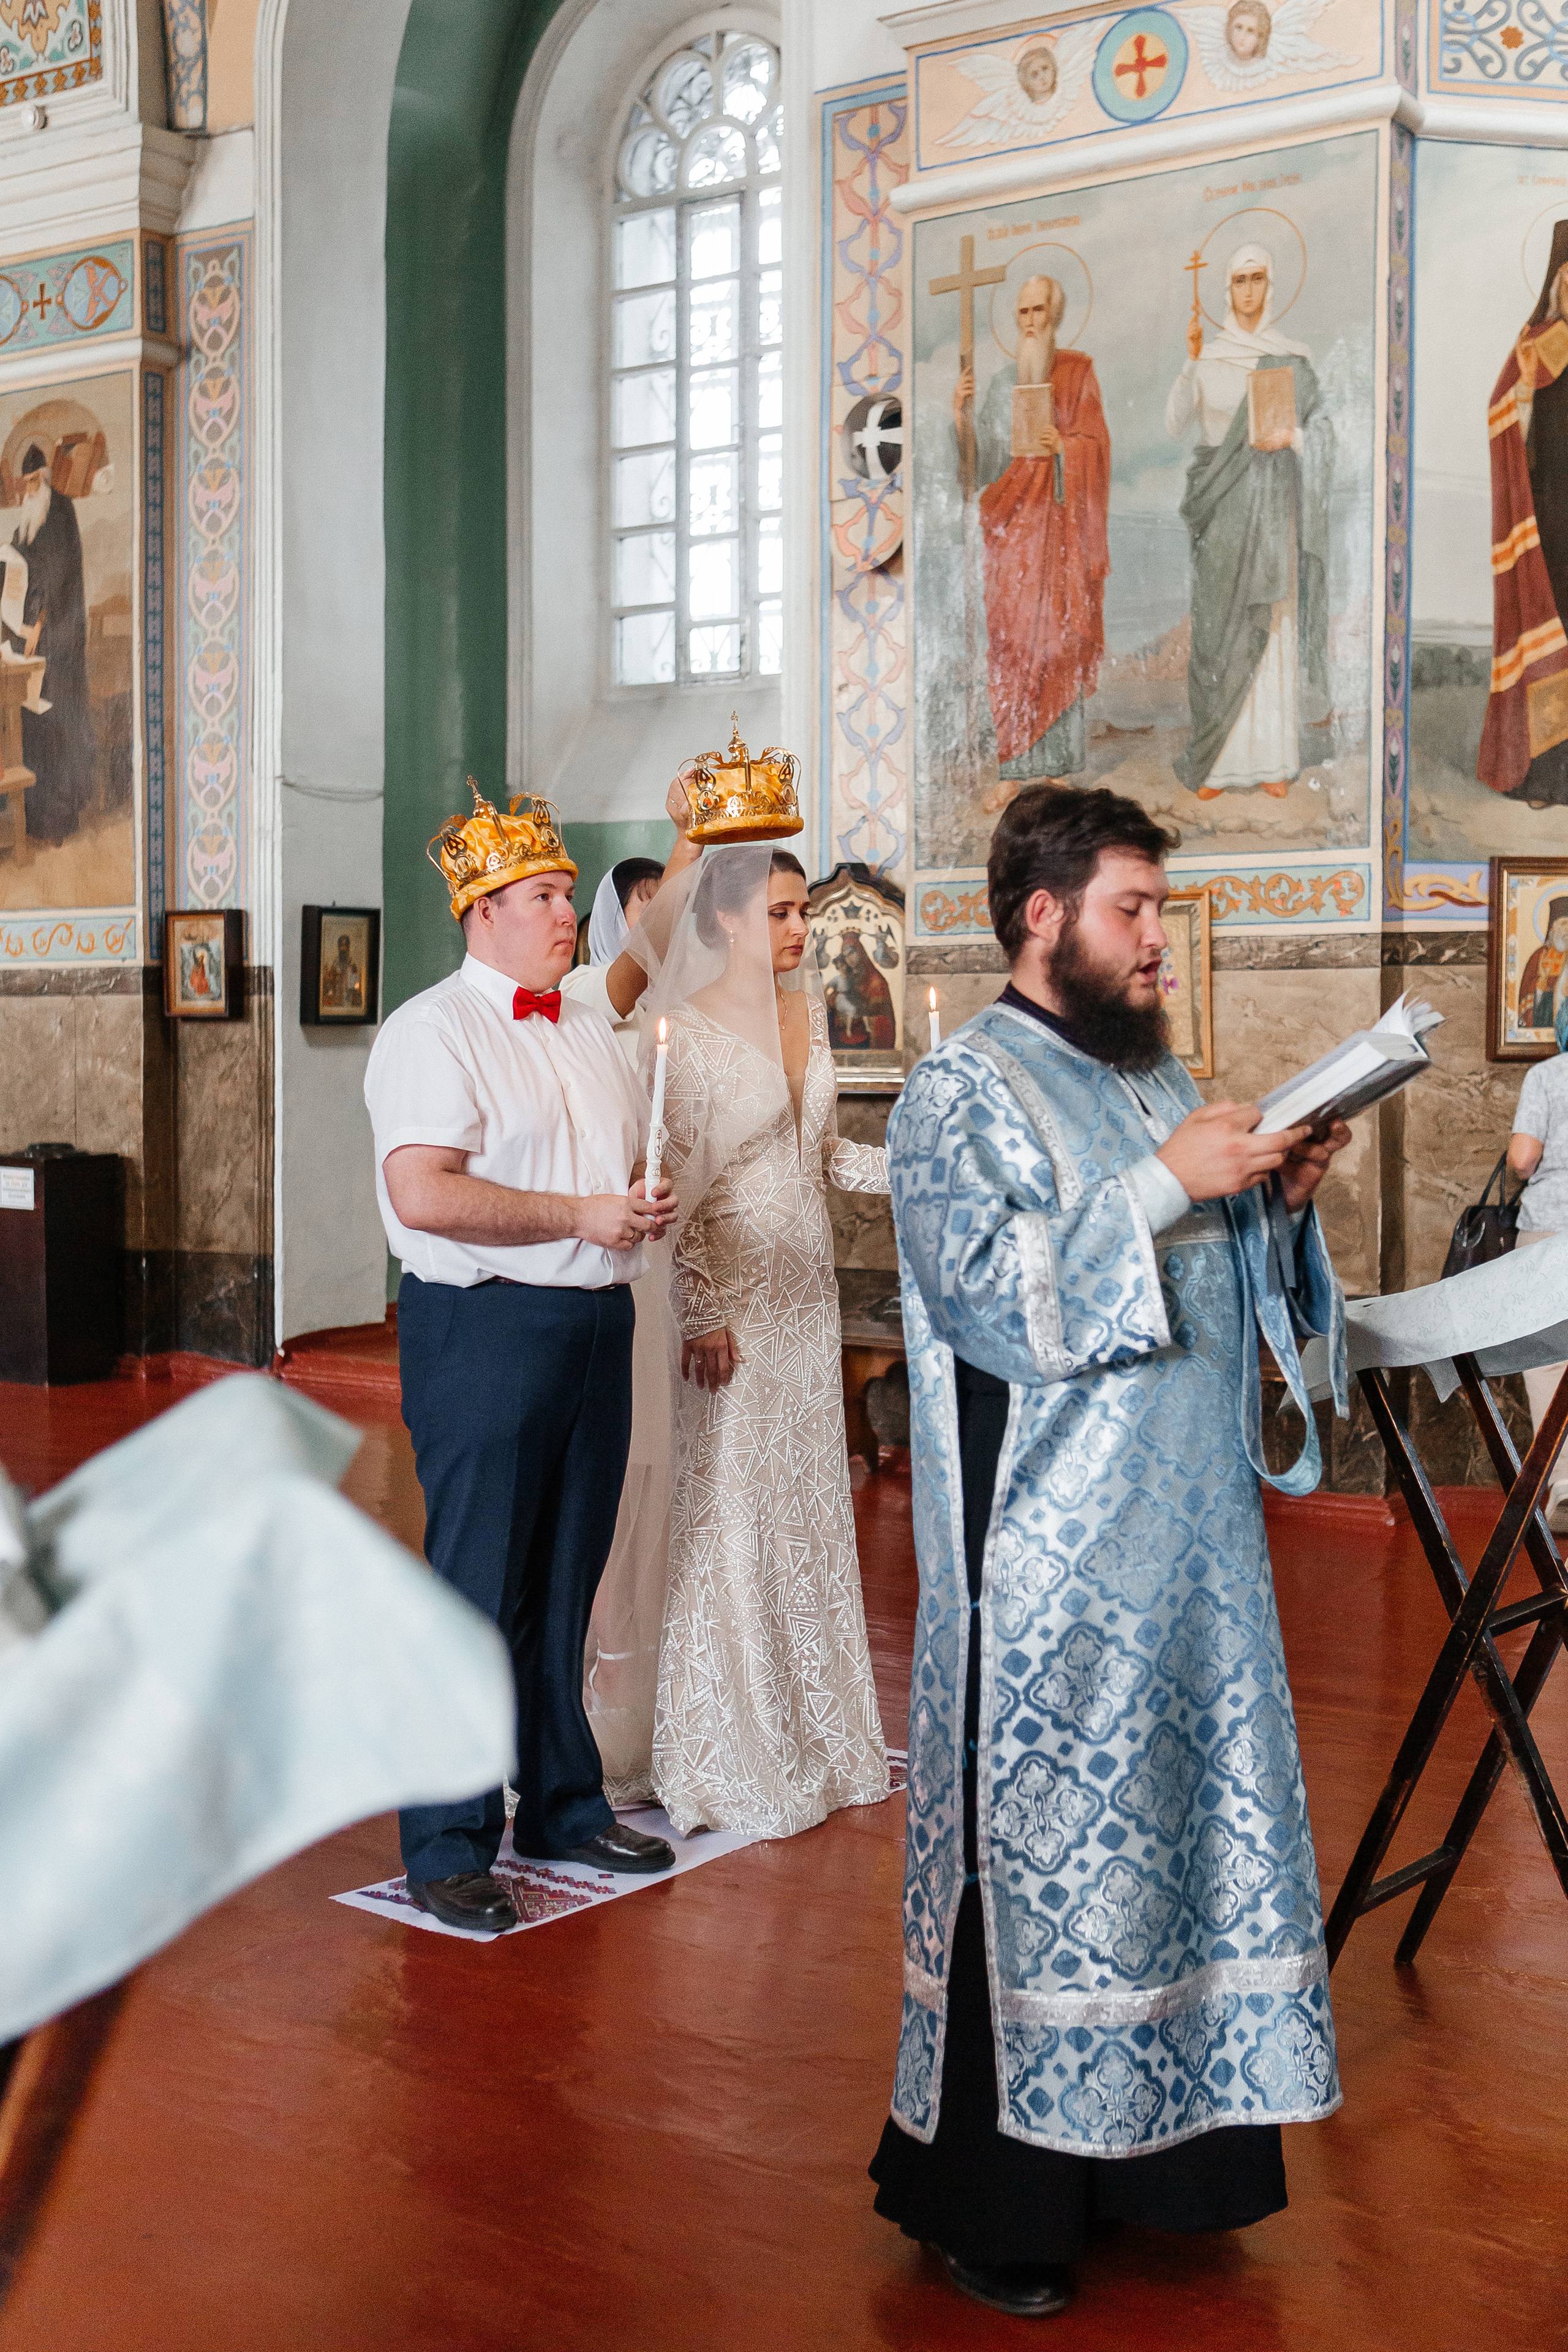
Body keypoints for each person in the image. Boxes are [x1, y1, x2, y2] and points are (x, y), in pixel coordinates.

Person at [869, 781, 1351, 2319]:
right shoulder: (959, 1092)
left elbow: (1207, 1284)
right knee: (1039, 1867)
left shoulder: (1154, 1078)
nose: (1157, 940)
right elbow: (991, 1298)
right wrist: (1163, 1188)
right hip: (1047, 1578)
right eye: (1131, 910)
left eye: (1156, 910)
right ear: (1042, 917)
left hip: (1190, 1564)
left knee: (1181, 1855)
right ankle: (992, 2201)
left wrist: (1272, 1204)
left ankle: (1166, 2167)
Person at [363, 782, 678, 1933]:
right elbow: (424, 1191)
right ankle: (446, 1840)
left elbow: (598, 1171)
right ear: (480, 911)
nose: (566, 912)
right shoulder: (429, 1030)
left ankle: (558, 1801)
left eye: (565, 892)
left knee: (567, 1581)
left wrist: (627, 1207)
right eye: (545, 895)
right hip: (487, 1325)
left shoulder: (586, 1017)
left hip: (596, 1322)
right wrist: (577, 1215)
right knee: (477, 1591)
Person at [628, 843, 892, 1838]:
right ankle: (722, 1743)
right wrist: (699, 1307)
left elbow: (820, 1160)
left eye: (803, 914)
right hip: (731, 1312)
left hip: (804, 1303)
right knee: (730, 1514)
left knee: (803, 1514)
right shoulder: (683, 1033)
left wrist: (922, 1167)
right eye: (780, 913)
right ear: (726, 919)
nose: (798, 931)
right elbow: (668, 1182)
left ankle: (816, 1733)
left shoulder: (805, 1015)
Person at [560, 786, 701, 1802]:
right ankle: (581, 1717)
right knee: (597, 1499)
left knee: (656, 1480)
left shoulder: (646, 1016)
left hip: (658, 1270)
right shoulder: (577, 1002)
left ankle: (651, 1710)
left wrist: (696, 839)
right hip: (589, 1272)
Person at [1165, 243, 1332, 801]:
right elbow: (1175, 423)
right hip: (1220, 509)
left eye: (1259, 279)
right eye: (1240, 281)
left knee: (1271, 626)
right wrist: (1190, 361)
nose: (1249, 291)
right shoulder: (1209, 356)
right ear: (1228, 289)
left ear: (1271, 285)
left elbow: (1327, 434)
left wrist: (1295, 438)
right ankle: (1216, 764)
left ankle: (1271, 763)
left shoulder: (1291, 357)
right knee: (1217, 632)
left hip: (1270, 511)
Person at [954, 276, 1110, 785]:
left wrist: (1065, 445)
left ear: (1055, 315)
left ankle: (1057, 768)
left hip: (1060, 533)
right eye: (1022, 313)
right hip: (1012, 535)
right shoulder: (1001, 385)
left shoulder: (1077, 372)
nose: (1029, 321)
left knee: (1058, 640)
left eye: (1038, 311)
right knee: (1013, 642)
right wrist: (960, 416)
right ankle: (1015, 764)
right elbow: (981, 468)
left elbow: (1097, 442)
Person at [1479, 222, 1568, 807]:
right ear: (1557, 286)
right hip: (1553, 521)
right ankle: (1543, 777)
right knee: (1550, 633)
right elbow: (1501, 412)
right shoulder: (1537, 346)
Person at [2, 440, 96, 847]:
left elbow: (55, 577)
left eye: (29, 484)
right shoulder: (27, 522)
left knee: (58, 724)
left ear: (40, 479)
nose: (24, 492)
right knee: (29, 722)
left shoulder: (59, 513)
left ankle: (58, 817)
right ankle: (33, 816)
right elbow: (16, 569)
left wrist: (36, 624)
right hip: (33, 639)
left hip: (60, 639)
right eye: (20, 486)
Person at [1507, 998, 1568, 1528]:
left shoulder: (1548, 1076)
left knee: (1548, 1359)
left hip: (1552, 1229)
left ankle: (1566, 1490)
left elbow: (1523, 1159)